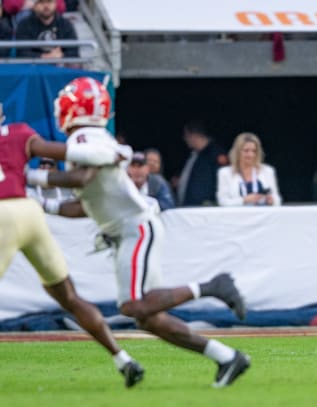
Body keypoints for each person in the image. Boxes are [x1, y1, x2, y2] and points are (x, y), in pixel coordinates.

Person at [27, 77, 251, 387]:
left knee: (133, 306)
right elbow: (83, 204)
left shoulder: (83, 140)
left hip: (135, 227)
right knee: (148, 317)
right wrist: (42, 205)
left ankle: (213, 286)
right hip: (126, 231)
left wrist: (35, 176)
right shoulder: (92, 140)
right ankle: (227, 357)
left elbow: (83, 176)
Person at [0, 102, 144, 388]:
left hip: (3, 215)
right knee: (68, 296)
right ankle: (122, 358)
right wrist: (112, 154)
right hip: (29, 213)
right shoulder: (17, 133)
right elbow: (68, 153)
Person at [217, 132, 282, 206]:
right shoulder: (224, 173)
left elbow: (277, 200)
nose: (250, 155)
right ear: (237, 152)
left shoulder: (268, 171)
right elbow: (223, 202)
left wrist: (272, 200)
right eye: (246, 151)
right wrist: (244, 200)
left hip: (263, 215)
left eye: (254, 151)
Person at [175, 121, 228, 206]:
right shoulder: (194, 155)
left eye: (186, 136)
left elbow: (223, 182)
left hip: (206, 209)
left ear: (193, 135)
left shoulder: (216, 154)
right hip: (188, 207)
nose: (185, 139)